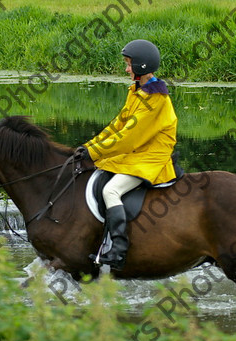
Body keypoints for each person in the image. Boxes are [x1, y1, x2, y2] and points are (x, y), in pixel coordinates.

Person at [74, 39, 178, 271]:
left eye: (129, 64)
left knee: (111, 190)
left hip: (151, 158)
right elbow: (117, 126)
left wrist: (95, 152)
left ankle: (118, 251)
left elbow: (129, 137)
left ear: (141, 66)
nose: (126, 69)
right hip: (136, 154)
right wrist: (90, 146)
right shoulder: (138, 91)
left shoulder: (156, 100)